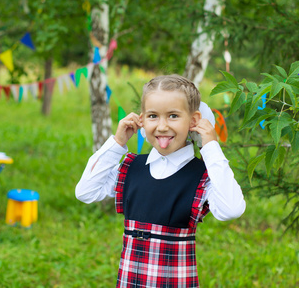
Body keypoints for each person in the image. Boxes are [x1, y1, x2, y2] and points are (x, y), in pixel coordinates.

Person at [76, 74, 245, 287]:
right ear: (141, 119)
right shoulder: (131, 168)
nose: (162, 126)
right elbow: (85, 191)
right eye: (153, 116)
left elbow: (232, 209)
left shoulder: (201, 177)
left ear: (193, 121)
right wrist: (117, 142)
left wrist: (210, 147)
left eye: (173, 116)